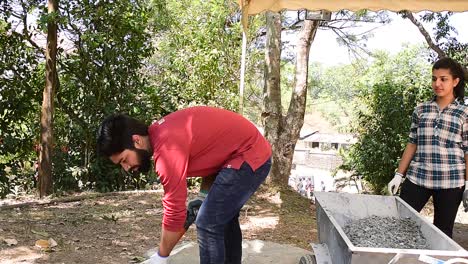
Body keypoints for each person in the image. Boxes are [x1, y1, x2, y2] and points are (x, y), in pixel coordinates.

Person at [96, 106, 272, 264]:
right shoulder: (161, 132)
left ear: (136, 141)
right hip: (245, 152)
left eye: (124, 160)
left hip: (249, 154)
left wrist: (161, 256)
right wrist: (204, 196)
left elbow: (174, 213)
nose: (126, 168)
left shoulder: (167, 151)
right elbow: (215, 155)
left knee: (208, 223)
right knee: (221, 218)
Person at [388, 57, 468, 238]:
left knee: (442, 233)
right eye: (434, 78)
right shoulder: (421, 110)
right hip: (418, 177)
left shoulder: (464, 113)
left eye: (443, 79)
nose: (437, 83)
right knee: (399, 223)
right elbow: (412, 143)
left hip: (451, 181)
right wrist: (399, 175)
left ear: (455, 81)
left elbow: (467, 150)